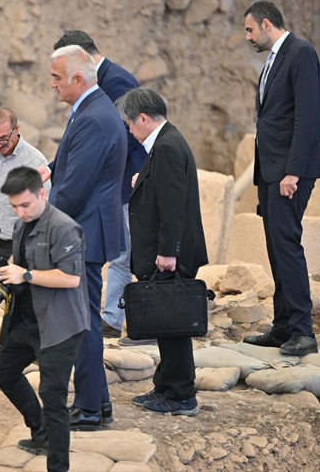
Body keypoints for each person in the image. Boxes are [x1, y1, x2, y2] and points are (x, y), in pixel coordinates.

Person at [39, 45, 126, 430]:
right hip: (89, 228)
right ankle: (99, 403)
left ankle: (89, 407)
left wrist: (43, 224)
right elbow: (70, 165)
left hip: (84, 231)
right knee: (85, 318)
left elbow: (74, 186)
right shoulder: (93, 108)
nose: (52, 85)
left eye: (57, 78)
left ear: (78, 79)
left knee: (82, 322)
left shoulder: (93, 116)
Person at [241, 1, 320, 357]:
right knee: (277, 247)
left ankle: (303, 332)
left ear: (266, 24)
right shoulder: (275, 58)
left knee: (287, 245)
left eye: (249, 30)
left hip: (292, 171)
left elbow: (307, 118)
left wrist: (293, 171)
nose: (247, 37)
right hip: (272, 169)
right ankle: (283, 327)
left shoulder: (300, 53)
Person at [118, 87, 208, 416]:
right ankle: (165, 387)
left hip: (173, 254)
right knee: (167, 323)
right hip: (170, 251)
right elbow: (163, 189)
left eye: (129, 124)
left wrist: (169, 251)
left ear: (143, 118)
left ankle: (180, 395)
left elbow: (173, 207)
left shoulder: (167, 147)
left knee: (174, 326)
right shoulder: (166, 141)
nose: (129, 130)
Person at [0, 167, 88, 472]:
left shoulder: (64, 227)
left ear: (41, 194)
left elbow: (71, 279)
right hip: (26, 319)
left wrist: (27, 275)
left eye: (25, 205)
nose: (19, 212)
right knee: (5, 373)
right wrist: (8, 272)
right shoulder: (22, 226)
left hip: (60, 327)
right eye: (14, 207)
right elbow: (19, 263)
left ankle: (57, 466)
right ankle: (40, 432)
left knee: (54, 398)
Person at [53, 30, 145, 341]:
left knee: (123, 255)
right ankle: (110, 318)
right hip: (109, 183)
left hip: (121, 183)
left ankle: (113, 318)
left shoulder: (115, 82)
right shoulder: (92, 86)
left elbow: (122, 139)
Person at [0, 107, 50, 335]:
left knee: (15, 302)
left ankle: (10, 353)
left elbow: (43, 208)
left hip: (16, 242)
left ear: (17, 130)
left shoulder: (35, 160)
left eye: (3, 139)